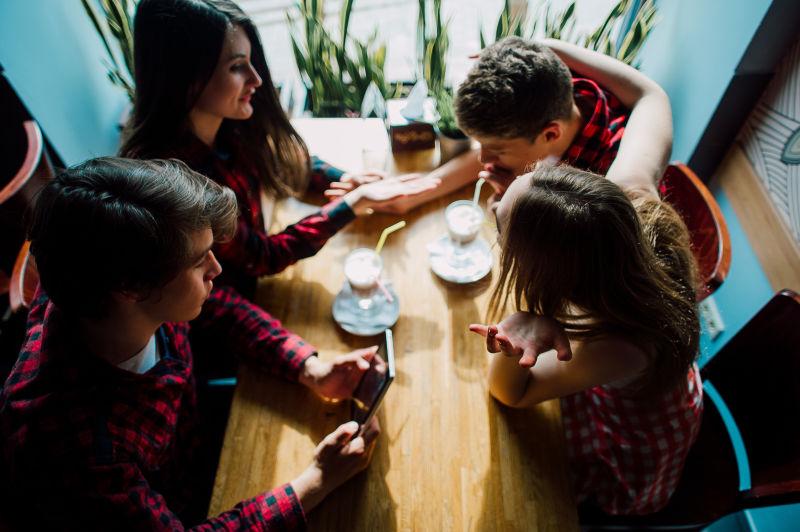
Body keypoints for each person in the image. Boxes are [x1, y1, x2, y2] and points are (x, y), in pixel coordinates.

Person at [0, 158, 381, 530]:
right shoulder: (75, 452)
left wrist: (308, 366)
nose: (216, 269)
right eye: (200, 260)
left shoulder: (117, 293)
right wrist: (316, 479)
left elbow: (220, 306)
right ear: (130, 287)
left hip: (191, 456)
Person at [120, 0, 438, 298]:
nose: (256, 79)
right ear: (187, 77)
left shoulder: (228, 125)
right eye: (236, 67)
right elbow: (261, 257)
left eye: (251, 62)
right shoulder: (175, 186)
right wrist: (352, 203)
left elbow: (280, 160)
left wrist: (346, 180)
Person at [468, 162, 703, 515]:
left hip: (636, 431)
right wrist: (519, 199)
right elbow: (652, 105)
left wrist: (512, 344)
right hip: (657, 372)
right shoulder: (633, 205)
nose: (492, 207)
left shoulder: (616, 347)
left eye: (500, 223)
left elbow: (510, 394)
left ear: (545, 274)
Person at [354, 37, 671, 213]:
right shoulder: (556, 90)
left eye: (496, 150)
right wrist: (413, 195)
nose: (483, 158)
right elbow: (648, 93)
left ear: (550, 134)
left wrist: (508, 208)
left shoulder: (609, 187)